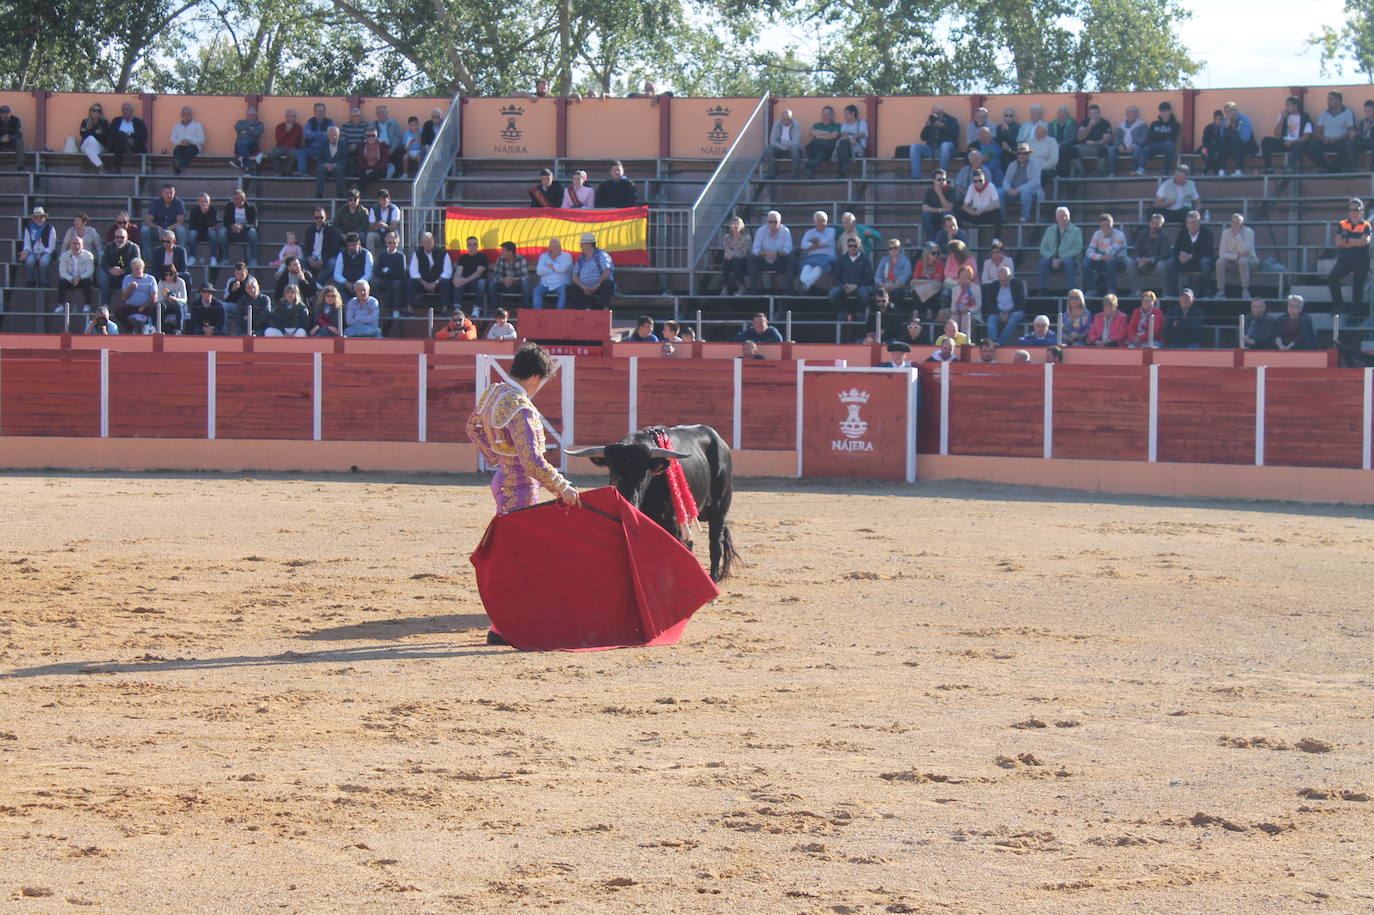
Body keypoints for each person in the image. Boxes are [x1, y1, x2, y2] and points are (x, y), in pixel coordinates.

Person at [465, 342, 580, 523]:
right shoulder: (521, 408)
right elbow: (531, 461)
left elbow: (472, 428)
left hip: (502, 478)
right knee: (519, 542)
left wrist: (497, 456)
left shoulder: (494, 392)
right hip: (520, 486)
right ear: (535, 377)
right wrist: (561, 486)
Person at [1328, 197, 1371, 312]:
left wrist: (1346, 240)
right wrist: (1354, 242)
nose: (1353, 212)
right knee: (1332, 278)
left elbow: (1364, 242)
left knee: (1357, 288)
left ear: (1361, 211)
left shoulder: (1366, 225)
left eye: (1356, 210)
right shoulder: (1342, 224)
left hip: (1361, 260)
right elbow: (1337, 242)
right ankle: (1339, 305)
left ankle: (1355, 313)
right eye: (1350, 209)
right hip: (1345, 259)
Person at [1165, 211, 1215, 297]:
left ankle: (1207, 292)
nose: (1192, 225)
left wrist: (1191, 256)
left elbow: (1208, 252)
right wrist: (1180, 256)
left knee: (1206, 262)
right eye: (1189, 223)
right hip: (1185, 263)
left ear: (1199, 223)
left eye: (1194, 223)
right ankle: (1171, 292)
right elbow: (1176, 250)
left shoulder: (1207, 233)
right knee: (1170, 262)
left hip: (1199, 262)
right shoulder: (1183, 233)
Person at [1260, 96, 1312, 174]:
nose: (1286, 107)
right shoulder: (1283, 116)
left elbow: (1306, 137)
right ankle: (1268, 168)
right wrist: (1282, 118)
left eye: (1288, 105)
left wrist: (1292, 142)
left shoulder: (1305, 117)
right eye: (1286, 105)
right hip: (1283, 142)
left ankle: (1289, 167)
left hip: (1297, 143)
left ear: (1295, 106)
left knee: (1300, 145)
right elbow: (1277, 133)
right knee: (1265, 140)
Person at [1037, 207, 1082, 294]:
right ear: (1056, 218)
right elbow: (1043, 248)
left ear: (1069, 217)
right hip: (1052, 259)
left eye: (1066, 216)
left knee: (1068, 261)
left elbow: (1077, 249)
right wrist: (1052, 257)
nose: (1064, 218)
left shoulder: (1076, 231)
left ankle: (1070, 290)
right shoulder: (1049, 230)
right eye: (1061, 216)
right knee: (1043, 261)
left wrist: (1061, 258)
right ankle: (1043, 289)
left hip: (1069, 260)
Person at [1308, 90, 1355, 173]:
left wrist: (1337, 140)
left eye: (1331, 99)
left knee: (1347, 146)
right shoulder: (1323, 114)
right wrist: (1323, 138)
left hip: (1341, 141)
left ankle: (1334, 168)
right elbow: (1317, 132)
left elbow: (1351, 131)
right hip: (1326, 142)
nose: (1328, 101)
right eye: (1328, 99)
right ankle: (1326, 166)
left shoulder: (1348, 113)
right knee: (1311, 148)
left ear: (1338, 100)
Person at [748, 211, 794, 293]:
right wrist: (764, 253)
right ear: (767, 222)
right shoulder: (761, 231)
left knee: (791, 258)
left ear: (780, 223)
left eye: (775, 222)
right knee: (751, 258)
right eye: (770, 221)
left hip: (779, 260)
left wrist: (777, 253)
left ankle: (788, 291)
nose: (772, 224)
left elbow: (788, 248)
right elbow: (755, 249)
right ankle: (753, 291)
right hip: (764, 259)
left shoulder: (785, 231)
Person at [1127, 213, 1172, 296]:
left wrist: (1150, 260)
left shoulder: (1164, 236)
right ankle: (1136, 291)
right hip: (1142, 263)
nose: (1154, 226)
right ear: (1149, 223)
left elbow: (1164, 254)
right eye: (1153, 223)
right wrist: (1139, 259)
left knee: (1162, 265)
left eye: (1157, 224)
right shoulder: (1142, 234)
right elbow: (1136, 251)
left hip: (1156, 263)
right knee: (1130, 263)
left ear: (1161, 226)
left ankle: (1166, 292)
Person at [1084, 213, 1128, 296]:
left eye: (1108, 225)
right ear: (1100, 226)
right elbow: (1089, 252)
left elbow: (1111, 253)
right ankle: (1092, 289)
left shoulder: (1120, 235)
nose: (1106, 228)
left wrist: (1106, 238)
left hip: (1119, 261)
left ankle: (1112, 289)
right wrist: (1101, 257)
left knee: (1109, 261)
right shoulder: (1097, 234)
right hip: (1103, 258)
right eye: (1103, 226)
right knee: (1087, 261)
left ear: (1112, 225)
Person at [408, 232, 454, 313]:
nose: (427, 244)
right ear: (422, 243)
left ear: (434, 241)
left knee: (446, 282)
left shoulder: (443, 253)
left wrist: (435, 283)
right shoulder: (417, 253)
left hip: (438, 283)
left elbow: (448, 271)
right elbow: (413, 271)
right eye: (425, 242)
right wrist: (424, 283)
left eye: (429, 241)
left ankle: (445, 310)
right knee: (410, 282)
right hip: (422, 283)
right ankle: (409, 310)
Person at [1216, 213, 1258, 300]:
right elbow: (1222, 253)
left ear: (1242, 223)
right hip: (1233, 261)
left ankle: (1245, 290)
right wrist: (1235, 257)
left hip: (1250, 262)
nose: (1235, 224)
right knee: (1220, 261)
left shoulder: (1249, 232)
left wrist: (1237, 236)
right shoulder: (1225, 233)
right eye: (1233, 222)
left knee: (1243, 260)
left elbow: (1244, 251)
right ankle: (1221, 291)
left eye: (1237, 222)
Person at [909, 105, 959, 179]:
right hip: (932, 149)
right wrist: (927, 126)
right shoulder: (931, 121)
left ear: (942, 113)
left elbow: (954, 134)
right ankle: (916, 177)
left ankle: (941, 176)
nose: (936, 116)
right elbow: (923, 137)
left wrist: (942, 126)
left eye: (938, 114)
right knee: (914, 146)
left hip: (947, 150)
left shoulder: (951, 120)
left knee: (945, 146)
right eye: (934, 114)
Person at [568, 232, 616, 307]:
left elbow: (606, 272)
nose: (580, 246)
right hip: (585, 288)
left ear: (589, 244)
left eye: (582, 244)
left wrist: (597, 285)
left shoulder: (601, 255)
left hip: (599, 286)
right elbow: (574, 277)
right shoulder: (580, 259)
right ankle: (583, 311)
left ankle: (605, 309)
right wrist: (583, 287)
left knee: (608, 283)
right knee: (570, 288)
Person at [98, 223, 140, 308]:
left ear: (127, 238)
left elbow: (137, 265)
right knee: (102, 275)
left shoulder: (134, 248)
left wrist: (123, 271)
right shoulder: (108, 246)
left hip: (126, 274)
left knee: (131, 277)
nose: (119, 239)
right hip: (111, 274)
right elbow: (103, 263)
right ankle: (105, 305)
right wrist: (110, 269)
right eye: (117, 237)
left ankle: (128, 306)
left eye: (122, 237)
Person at [982, 265, 1026, 345]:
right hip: (998, 312)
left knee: (1016, 316)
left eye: (1005, 280)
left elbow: (1021, 303)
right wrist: (1000, 313)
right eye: (1001, 280)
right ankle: (992, 341)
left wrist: (1009, 313)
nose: (1003, 282)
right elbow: (989, 304)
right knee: (991, 319)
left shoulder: (1018, 285)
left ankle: (1001, 342)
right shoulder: (993, 286)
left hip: (1014, 311)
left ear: (1010, 277)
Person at [829, 235, 874, 312]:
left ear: (859, 246)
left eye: (855, 246)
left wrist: (856, 285)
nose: (852, 248)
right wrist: (844, 285)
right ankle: (842, 313)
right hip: (844, 286)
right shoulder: (842, 260)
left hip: (860, 286)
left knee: (864, 295)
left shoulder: (865, 260)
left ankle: (861, 316)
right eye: (850, 246)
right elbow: (835, 278)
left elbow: (869, 278)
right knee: (832, 295)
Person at [1001, 143, 1042, 224]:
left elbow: (1036, 182)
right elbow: (1006, 180)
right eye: (1019, 153)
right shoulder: (1012, 165)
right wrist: (1008, 189)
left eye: (1024, 153)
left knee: (1025, 191)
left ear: (1028, 155)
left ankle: (1024, 217)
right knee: (998, 192)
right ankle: (1002, 217)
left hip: (1031, 193)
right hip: (1013, 192)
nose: (1021, 155)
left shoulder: (1034, 165)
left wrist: (1019, 189)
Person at [1136, 101, 1180, 175]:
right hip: (1155, 145)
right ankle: (1141, 169)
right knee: (1145, 149)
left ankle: (1165, 170)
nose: (1163, 113)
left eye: (1165, 111)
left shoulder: (1176, 124)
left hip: (1167, 145)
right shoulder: (1154, 123)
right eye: (1161, 111)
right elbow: (1150, 136)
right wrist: (1165, 135)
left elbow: (1173, 137)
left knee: (1170, 145)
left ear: (1170, 111)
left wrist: (1158, 135)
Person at [373, 232, 409, 321]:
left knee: (396, 284)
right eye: (390, 243)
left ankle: (396, 309)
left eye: (394, 243)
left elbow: (402, 273)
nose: (392, 245)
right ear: (386, 243)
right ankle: (375, 308)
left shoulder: (400, 256)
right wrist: (392, 272)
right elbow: (377, 271)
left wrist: (388, 271)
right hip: (384, 280)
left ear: (397, 244)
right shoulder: (382, 255)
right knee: (374, 283)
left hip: (395, 281)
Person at [17, 206, 56, 286]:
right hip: (33, 252)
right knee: (29, 261)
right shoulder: (28, 228)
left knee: (44, 262)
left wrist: (41, 254)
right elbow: (27, 244)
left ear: (44, 218)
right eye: (36, 217)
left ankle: (44, 282)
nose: (39, 219)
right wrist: (26, 251)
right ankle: (31, 281)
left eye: (41, 217)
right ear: (33, 219)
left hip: (46, 252)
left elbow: (51, 246)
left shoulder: (50, 228)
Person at [959, 169, 1002, 240]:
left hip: (986, 214)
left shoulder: (990, 186)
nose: (978, 183)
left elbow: (996, 204)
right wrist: (970, 212)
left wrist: (982, 210)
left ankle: (996, 239)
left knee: (998, 213)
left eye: (981, 181)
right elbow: (965, 205)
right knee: (959, 212)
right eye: (975, 181)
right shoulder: (971, 187)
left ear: (984, 179)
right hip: (975, 215)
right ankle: (960, 238)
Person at [142, 183, 188, 251]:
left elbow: (180, 221)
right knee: (144, 230)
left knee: (181, 230)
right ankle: (149, 260)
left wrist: (168, 229)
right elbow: (148, 220)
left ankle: (181, 256)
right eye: (167, 193)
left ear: (174, 192)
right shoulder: (155, 203)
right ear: (162, 193)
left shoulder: (179, 203)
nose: (169, 195)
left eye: (171, 193)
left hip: (173, 231)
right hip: (158, 231)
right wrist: (158, 227)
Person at [797, 211, 836, 290]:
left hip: (827, 258)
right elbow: (803, 245)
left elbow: (825, 242)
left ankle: (803, 284)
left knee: (818, 268)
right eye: (819, 221)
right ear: (814, 222)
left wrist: (813, 243)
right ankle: (803, 285)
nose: (822, 223)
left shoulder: (831, 231)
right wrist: (819, 244)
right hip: (812, 258)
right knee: (806, 267)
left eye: (824, 221)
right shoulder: (809, 232)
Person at [117, 257, 158, 333]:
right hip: (132, 306)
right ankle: (131, 329)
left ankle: (152, 328)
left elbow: (154, 297)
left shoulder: (150, 279)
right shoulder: (127, 278)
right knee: (118, 311)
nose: (136, 271)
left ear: (143, 268)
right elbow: (124, 297)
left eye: (138, 269)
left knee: (156, 308)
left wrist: (144, 305)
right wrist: (130, 289)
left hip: (146, 306)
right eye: (134, 269)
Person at [221, 187, 260, 266]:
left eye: (240, 199)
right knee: (222, 231)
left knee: (253, 232)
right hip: (232, 232)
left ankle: (253, 259)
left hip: (245, 233)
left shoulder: (251, 207)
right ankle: (225, 258)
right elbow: (225, 222)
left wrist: (242, 226)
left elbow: (254, 224)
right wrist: (232, 226)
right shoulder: (229, 206)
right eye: (235, 199)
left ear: (244, 199)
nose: (237, 201)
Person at [531, 237, 573, 308]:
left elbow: (562, 269)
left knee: (564, 292)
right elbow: (539, 271)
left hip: (561, 284)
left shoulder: (566, 256)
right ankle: (537, 315)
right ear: (550, 248)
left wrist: (549, 266)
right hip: (545, 284)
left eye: (559, 246)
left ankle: (559, 315)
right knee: (536, 291)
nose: (558, 248)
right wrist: (554, 268)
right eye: (555, 247)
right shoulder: (543, 256)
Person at [56, 236, 96, 310]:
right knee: (62, 282)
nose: (76, 246)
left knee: (87, 282)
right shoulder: (64, 256)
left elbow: (90, 271)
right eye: (74, 244)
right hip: (70, 279)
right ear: (70, 245)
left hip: (82, 279)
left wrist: (79, 278)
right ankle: (60, 305)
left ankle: (87, 305)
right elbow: (62, 272)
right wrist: (71, 278)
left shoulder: (88, 256)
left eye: (78, 244)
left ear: (82, 245)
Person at [1218, 102, 1257, 176]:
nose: (1228, 114)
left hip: (1246, 145)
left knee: (1237, 141)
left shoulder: (1244, 119)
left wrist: (1233, 128)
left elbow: (1245, 138)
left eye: (1230, 111)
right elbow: (1222, 137)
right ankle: (1221, 170)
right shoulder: (1225, 122)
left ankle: (1239, 171)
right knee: (1222, 143)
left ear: (1236, 111)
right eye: (1226, 112)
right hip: (1232, 147)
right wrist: (1226, 128)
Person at [489, 241, 531, 310]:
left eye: (503, 251)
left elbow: (525, 277)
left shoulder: (521, 259)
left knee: (525, 284)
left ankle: (524, 309)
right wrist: (504, 279)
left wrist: (513, 279)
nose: (501, 253)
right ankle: (495, 310)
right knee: (492, 284)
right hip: (503, 285)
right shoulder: (500, 259)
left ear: (510, 252)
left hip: (517, 286)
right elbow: (495, 277)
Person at [108, 101, 148, 172]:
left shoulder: (139, 122)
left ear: (132, 111)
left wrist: (129, 135)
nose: (124, 112)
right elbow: (111, 133)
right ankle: (125, 146)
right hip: (118, 146)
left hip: (133, 146)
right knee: (120, 135)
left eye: (127, 109)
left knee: (121, 136)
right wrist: (124, 137)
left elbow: (144, 137)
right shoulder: (116, 120)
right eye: (123, 110)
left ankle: (116, 167)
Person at [452, 236, 489, 312]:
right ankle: (457, 308)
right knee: (458, 281)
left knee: (481, 283)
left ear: (478, 245)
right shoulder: (463, 258)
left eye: (475, 244)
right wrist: (456, 280)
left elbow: (478, 273)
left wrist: (464, 281)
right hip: (465, 283)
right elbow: (458, 271)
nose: (472, 246)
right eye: (470, 244)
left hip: (477, 282)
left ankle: (477, 308)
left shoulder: (483, 257)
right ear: (467, 246)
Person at [805, 106, 844, 178]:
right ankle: (811, 166)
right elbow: (812, 132)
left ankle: (806, 154)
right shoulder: (817, 125)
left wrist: (819, 136)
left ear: (831, 115)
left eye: (827, 114)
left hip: (830, 149)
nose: (824, 116)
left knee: (816, 142)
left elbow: (833, 136)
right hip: (822, 151)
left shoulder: (837, 125)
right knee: (821, 153)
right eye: (823, 114)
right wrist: (826, 132)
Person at [187, 192, 225, 267]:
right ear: (198, 202)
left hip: (208, 233)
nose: (204, 203)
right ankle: (192, 257)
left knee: (212, 233)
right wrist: (205, 226)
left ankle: (213, 258)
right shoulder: (194, 211)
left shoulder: (213, 210)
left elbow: (213, 224)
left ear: (209, 202)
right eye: (202, 201)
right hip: (198, 233)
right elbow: (191, 226)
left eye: (206, 201)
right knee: (192, 233)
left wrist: (204, 214)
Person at [297, 103, 335, 176]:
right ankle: (302, 173)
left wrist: (313, 134)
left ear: (325, 111)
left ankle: (321, 174)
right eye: (318, 111)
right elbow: (306, 135)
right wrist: (322, 134)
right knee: (300, 152)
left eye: (322, 111)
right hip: (311, 148)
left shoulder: (330, 122)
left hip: (324, 148)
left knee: (321, 155)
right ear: (314, 112)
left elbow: (332, 135)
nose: (320, 113)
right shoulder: (310, 122)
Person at [303, 208, 343, 277]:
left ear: (325, 217)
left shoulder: (332, 230)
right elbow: (306, 247)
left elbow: (334, 249)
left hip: (326, 257)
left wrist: (323, 260)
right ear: (313, 218)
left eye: (321, 217)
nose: (319, 220)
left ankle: (318, 283)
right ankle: (310, 280)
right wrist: (309, 258)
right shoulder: (309, 231)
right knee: (299, 262)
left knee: (333, 264)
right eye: (317, 218)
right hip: (312, 257)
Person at [909, 241, 944, 317]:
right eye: (933, 253)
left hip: (933, 286)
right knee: (916, 290)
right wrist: (927, 281)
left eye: (938, 253)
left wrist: (925, 281)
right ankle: (915, 312)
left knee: (931, 289)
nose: (936, 255)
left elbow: (938, 279)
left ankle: (929, 311)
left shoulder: (939, 264)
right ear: (927, 253)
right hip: (921, 285)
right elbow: (915, 277)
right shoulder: (920, 263)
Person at [921, 170, 958, 242]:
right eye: (939, 180)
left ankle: (947, 239)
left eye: (943, 179)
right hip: (935, 215)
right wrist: (939, 210)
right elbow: (925, 208)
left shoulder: (951, 190)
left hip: (948, 216)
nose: (941, 182)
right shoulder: (929, 191)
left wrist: (939, 193)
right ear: (934, 181)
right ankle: (930, 241)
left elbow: (948, 208)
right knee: (926, 215)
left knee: (947, 214)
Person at [1110, 105, 1147, 175]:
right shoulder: (1120, 126)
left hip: (1135, 146)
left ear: (1137, 114)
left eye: (1133, 112)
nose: (1131, 114)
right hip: (1122, 147)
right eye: (1129, 112)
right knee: (1111, 149)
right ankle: (1112, 173)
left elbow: (1143, 138)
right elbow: (1116, 138)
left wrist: (1133, 145)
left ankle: (1134, 170)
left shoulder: (1142, 124)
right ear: (1126, 114)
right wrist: (1119, 145)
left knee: (1137, 148)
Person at [314, 126, 350, 199]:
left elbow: (345, 159)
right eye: (331, 134)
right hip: (325, 166)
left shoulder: (344, 145)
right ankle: (319, 194)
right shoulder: (322, 144)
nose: (334, 136)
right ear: (327, 135)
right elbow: (319, 158)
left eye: (335, 134)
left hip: (338, 166)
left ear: (339, 135)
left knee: (338, 169)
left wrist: (335, 165)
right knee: (321, 169)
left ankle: (340, 195)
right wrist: (325, 164)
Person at [874, 238, 913, 304]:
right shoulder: (884, 260)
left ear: (899, 248)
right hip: (884, 285)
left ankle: (893, 312)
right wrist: (883, 285)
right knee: (878, 292)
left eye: (895, 248)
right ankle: (881, 312)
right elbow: (877, 276)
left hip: (899, 287)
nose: (893, 250)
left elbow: (905, 278)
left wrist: (891, 286)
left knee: (895, 293)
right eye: (891, 248)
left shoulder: (905, 261)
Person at [767, 109, 803, 178]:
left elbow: (795, 142)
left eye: (788, 119)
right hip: (779, 149)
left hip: (791, 150)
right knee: (769, 148)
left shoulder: (796, 125)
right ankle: (771, 174)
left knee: (794, 149)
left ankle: (795, 175)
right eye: (784, 119)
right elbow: (772, 141)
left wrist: (781, 141)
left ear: (792, 118)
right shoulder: (776, 124)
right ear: (781, 118)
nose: (786, 121)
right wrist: (783, 147)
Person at [354, 128, 391, 196]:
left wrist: (373, 169)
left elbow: (384, 161)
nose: (371, 138)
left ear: (377, 136)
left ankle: (357, 190)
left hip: (379, 170)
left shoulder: (383, 146)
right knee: (362, 174)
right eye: (369, 136)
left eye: (373, 135)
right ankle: (360, 193)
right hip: (365, 169)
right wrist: (366, 169)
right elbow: (360, 160)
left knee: (370, 175)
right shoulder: (362, 146)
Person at [169, 106, 205, 175]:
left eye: (188, 114)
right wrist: (181, 142)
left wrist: (190, 141)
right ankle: (180, 167)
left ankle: (178, 168)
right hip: (180, 146)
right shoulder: (176, 126)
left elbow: (202, 140)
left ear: (191, 115)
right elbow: (172, 139)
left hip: (194, 146)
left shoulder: (197, 125)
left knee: (189, 151)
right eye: (184, 113)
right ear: (181, 115)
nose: (186, 115)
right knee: (177, 150)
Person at [720, 216, 751, 295]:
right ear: (730, 227)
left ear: (742, 226)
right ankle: (724, 288)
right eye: (733, 224)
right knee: (726, 262)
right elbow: (727, 251)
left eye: (738, 224)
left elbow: (744, 252)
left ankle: (742, 287)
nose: (736, 226)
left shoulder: (746, 238)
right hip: (730, 261)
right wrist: (730, 254)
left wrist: (733, 254)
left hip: (743, 261)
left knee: (735, 261)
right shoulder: (727, 238)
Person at [267, 109, 303, 176]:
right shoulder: (279, 126)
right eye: (291, 116)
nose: (293, 118)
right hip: (281, 147)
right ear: (286, 117)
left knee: (294, 154)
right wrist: (286, 131)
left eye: (294, 116)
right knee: (272, 153)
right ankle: (278, 171)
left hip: (293, 147)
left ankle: (287, 171)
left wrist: (296, 148)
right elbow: (278, 139)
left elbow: (298, 140)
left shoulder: (298, 127)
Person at [366, 189, 401, 254]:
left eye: (384, 200)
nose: (383, 202)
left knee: (395, 235)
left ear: (389, 199)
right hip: (378, 233)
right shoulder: (373, 209)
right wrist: (378, 226)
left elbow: (394, 226)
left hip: (390, 232)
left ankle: (396, 256)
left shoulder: (395, 209)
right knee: (370, 236)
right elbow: (371, 226)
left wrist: (385, 226)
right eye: (380, 200)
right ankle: (371, 259)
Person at [76, 102, 109, 171]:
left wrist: (88, 131)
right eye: (94, 110)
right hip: (84, 144)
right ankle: (101, 167)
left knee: (88, 149)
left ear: (101, 113)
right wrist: (96, 132)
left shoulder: (104, 122)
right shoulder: (85, 121)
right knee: (91, 138)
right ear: (90, 111)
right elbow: (83, 134)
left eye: (98, 111)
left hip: (100, 146)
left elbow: (105, 136)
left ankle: (100, 166)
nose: (96, 112)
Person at [837, 104, 867, 178]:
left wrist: (851, 137)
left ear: (853, 113)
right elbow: (843, 133)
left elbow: (862, 134)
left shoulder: (862, 123)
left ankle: (842, 172)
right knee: (844, 143)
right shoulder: (844, 125)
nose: (844, 116)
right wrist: (851, 138)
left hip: (858, 149)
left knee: (843, 143)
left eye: (846, 113)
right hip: (846, 148)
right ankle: (844, 167)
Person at [155, 264, 188, 331]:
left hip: (179, 305)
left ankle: (179, 329)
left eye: (170, 274)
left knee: (178, 305)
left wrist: (175, 299)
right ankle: (160, 328)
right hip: (167, 305)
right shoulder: (161, 283)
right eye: (166, 275)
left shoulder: (180, 282)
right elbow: (159, 300)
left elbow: (184, 299)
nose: (168, 277)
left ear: (174, 274)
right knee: (161, 306)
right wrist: (166, 296)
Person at [1048, 106, 1078, 177]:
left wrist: (1061, 144)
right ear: (1057, 114)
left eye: (1064, 113)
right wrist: (1055, 145)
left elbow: (1073, 138)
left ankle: (1063, 175)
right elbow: (1050, 137)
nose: (1062, 115)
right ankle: (1052, 173)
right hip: (1054, 145)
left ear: (1068, 115)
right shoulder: (1052, 124)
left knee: (1064, 150)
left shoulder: (1073, 123)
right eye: (1060, 114)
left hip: (1068, 146)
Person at [232, 106, 265, 172]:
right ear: (247, 115)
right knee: (242, 143)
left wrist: (245, 130)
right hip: (239, 146)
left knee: (242, 143)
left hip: (252, 146)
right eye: (251, 115)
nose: (252, 117)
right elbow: (238, 128)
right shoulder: (240, 122)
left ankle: (239, 161)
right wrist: (251, 128)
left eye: (254, 115)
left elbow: (257, 133)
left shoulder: (260, 124)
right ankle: (247, 167)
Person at [1026, 122, 1059, 188]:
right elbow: (1025, 156)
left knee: (1041, 175)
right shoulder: (1029, 141)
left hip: (1046, 169)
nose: (1039, 133)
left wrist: (1040, 168)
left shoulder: (1052, 141)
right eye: (1037, 131)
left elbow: (1053, 160)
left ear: (1046, 132)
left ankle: (1038, 193)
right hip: (1030, 167)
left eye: (1042, 131)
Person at [0, 104, 25, 170]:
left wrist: (9, 137)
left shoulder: (16, 120)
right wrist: (1, 138)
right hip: (1, 142)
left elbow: (19, 135)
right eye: (3, 113)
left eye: (7, 113)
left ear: (10, 113)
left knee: (20, 142)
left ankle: (20, 167)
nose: (6, 115)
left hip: (12, 143)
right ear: (0, 114)